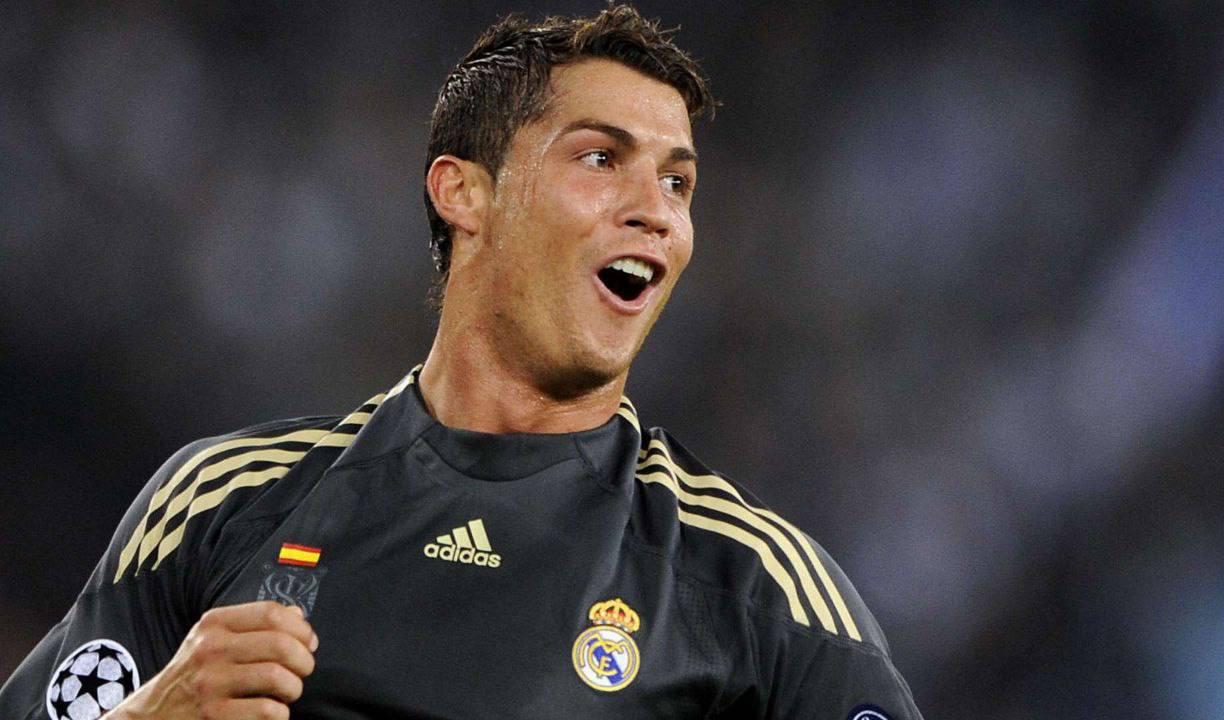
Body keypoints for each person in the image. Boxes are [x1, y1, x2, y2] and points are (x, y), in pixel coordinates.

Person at [0, 6, 923, 719]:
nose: (657, 211)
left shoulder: (750, 584)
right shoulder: (222, 501)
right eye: (602, 158)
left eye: (677, 182)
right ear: (463, 192)